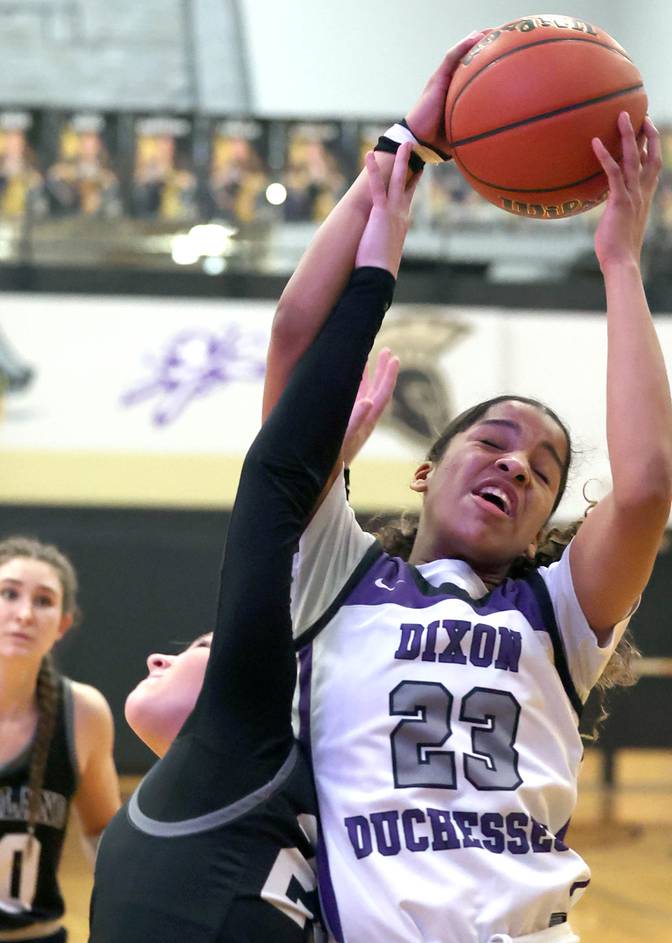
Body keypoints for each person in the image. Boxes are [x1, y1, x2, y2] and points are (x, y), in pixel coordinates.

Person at [269, 38, 672, 943]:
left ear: (546, 521)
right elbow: (299, 334)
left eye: (545, 468)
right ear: (425, 469)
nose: (518, 464)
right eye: (493, 439)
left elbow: (644, 487)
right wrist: (402, 150)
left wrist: (620, 264)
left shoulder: (557, 614)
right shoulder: (334, 572)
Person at [88, 143, 419, 943]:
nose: (157, 658)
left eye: (205, 641)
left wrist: (385, 241)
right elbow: (291, 336)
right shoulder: (252, 773)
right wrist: (390, 169)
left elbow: (288, 361)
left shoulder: (256, 739)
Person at [0, 536, 120, 943]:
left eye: (44, 601)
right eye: (8, 593)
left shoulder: (83, 713)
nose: (24, 614)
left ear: (63, 624)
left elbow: (105, 835)